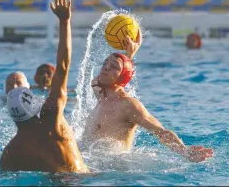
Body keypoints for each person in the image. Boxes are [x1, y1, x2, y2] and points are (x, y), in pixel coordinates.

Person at [82, 30, 213, 162]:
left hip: (111, 171)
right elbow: (95, 82)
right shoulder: (103, 96)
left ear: (123, 75)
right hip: (91, 160)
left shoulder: (128, 104)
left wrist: (184, 151)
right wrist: (128, 55)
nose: (105, 68)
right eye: (105, 63)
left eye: (113, 66)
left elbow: (160, 131)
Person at [0, 0, 89, 173]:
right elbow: (63, 65)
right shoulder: (52, 115)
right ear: (33, 102)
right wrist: (64, 22)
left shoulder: (10, 152)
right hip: (84, 181)